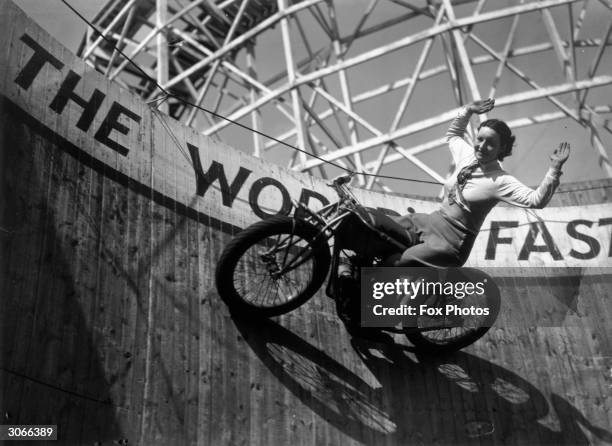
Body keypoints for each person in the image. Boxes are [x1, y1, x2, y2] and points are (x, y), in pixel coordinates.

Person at [385, 97, 570, 268]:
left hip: (450, 242)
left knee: (399, 261)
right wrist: (468, 111)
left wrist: (554, 169)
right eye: (479, 139)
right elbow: (453, 135)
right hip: (430, 220)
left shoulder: (501, 180)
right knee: (377, 224)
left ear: (502, 148)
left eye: (490, 143)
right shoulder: (467, 154)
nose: (481, 146)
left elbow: (536, 200)